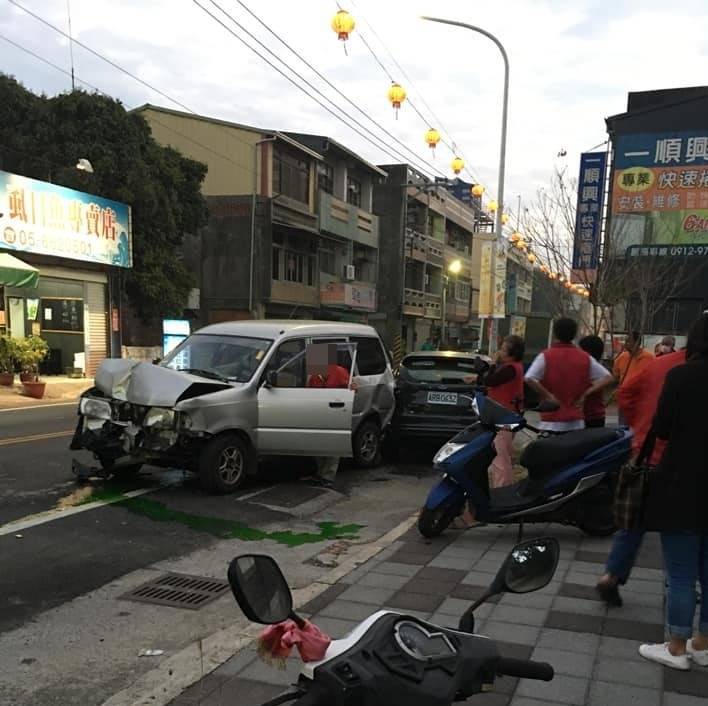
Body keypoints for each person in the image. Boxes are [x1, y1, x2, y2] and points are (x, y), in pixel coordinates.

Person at [638, 314, 708, 670]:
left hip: (682, 482)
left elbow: (662, 428)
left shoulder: (681, 375)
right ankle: (704, 644)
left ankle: (677, 647)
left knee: (681, 572)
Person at [595, 346, 686, 606]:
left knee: (633, 523)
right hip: (683, 462)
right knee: (680, 529)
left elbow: (625, 391)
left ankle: (611, 575)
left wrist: (639, 424)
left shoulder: (657, 364)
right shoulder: (694, 372)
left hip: (646, 453)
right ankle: (679, 586)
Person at [524, 318, 613, 434]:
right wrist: (586, 393)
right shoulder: (585, 357)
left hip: (551, 421)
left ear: (555, 333)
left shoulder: (545, 356)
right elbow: (608, 377)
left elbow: (529, 378)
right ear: (575, 334)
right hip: (576, 421)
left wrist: (548, 395)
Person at [306, 343, 354, 487]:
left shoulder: (339, 371)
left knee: (333, 445)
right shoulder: (314, 375)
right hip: (319, 412)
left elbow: (351, 387)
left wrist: (351, 389)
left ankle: (328, 476)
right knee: (318, 444)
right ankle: (320, 473)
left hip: (335, 412)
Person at [486, 335, 525, 487]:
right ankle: (504, 486)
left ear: (511, 353)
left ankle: (501, 488)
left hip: (505, 417)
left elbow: (491, 380)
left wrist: (493, 363)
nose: (500, 352)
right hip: (506, 415)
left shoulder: (511, 368)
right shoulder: (513, 367)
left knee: (500, 456)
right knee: (503, 455)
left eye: (503, 349)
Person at [578, 335, 607, 428]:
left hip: (592, 417)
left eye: (580, 349)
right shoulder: (595, 368)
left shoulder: (594, 369)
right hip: (593, 416)